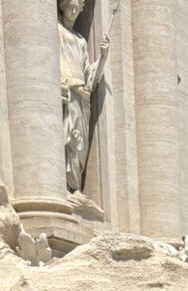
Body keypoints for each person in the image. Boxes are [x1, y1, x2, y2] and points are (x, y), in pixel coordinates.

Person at [58, 0, 110, 193]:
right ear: (62, 6)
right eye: (70, 6)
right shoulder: (56, 30)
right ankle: (64, 185)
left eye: (77, 8)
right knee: (68, 136)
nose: (73, 11)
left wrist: (103, 57)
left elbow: (90, 76)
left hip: (82, 95)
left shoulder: (81, 40)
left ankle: (74, 186)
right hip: (67, 89)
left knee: (79, 144)